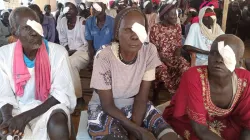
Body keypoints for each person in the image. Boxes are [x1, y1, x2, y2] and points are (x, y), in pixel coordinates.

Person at [87, 7, 181, 140]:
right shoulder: (104, 56)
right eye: (127, 30)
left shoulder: (149, 52)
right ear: (116, 33)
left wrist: (133, 133)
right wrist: (137, 130)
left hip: (135, 104)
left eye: (140, 30)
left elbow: (142, 98)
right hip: (105, 109)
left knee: (169, 136)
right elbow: (107, 104)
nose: (135, 36)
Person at [0, 7, 76, 140]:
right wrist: (8, 120)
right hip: (17, 109)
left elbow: (61, 94)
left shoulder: (58, 53)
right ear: (14, 32)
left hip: (48, 108)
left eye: (36, 25)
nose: (34, 32)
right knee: (5, 133)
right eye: (26, 28)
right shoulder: (4, 55)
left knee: (58, 126)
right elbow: (4, 94)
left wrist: (25, 117)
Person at [162, 34, 250, 140]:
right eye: (213, 53)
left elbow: (248, 124)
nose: (218, 59)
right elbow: (200, 129)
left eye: (227, 55)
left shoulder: (246, 80)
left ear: (239, 63)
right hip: (190, 119)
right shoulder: (193, 76)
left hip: (225, 119)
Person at [149, 4, 190, 94]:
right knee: (163, 70)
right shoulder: (155, 28)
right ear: (165, 16)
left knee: (185, 66)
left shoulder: (177, 27)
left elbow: (178, 45)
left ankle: (181, 92)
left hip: (173, 57)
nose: (176, 17)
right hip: (159, 59)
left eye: (176, 14)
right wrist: (163, 59)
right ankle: (172, 93)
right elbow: (153, 49)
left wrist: (177, 55)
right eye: (173, 14)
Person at [57, 1, 89, 102]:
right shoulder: (62, 22)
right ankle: (62, 94)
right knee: (59, 63)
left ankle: (78, 97)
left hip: (84, 52)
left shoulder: (82, 22)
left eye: (71, 8)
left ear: (76, 11)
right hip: (69, 52)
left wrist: (73, 51)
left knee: (70, 62)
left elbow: (87, 43)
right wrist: (66, 50)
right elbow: (63, 40)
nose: (68, 11)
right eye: (66, 9)